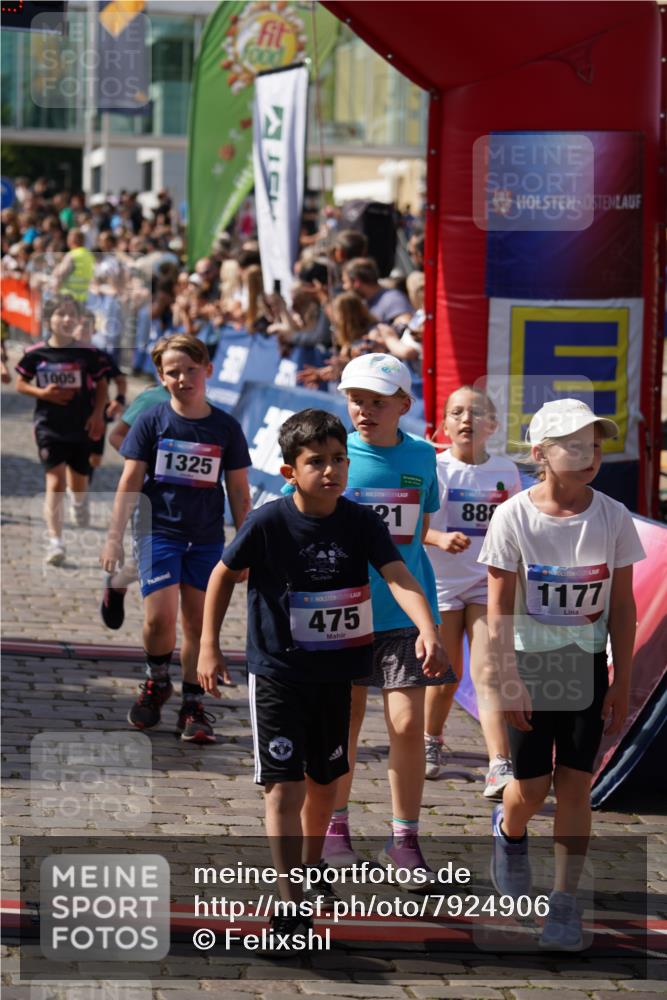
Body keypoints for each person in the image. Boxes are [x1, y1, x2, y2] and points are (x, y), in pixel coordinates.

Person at [196, 409, 447, 947]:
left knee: (325, 781)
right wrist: (209, 646)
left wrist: (426, 625)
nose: (331, 470)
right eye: (317, 462)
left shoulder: (360, 522)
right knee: (283, 788)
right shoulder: (267, 521)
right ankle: (288, 900)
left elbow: (398, 574)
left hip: (338, 673)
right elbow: (223, 575)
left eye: (339, 459)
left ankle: (312, 871)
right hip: (280, 673)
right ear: (290, 471)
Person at [479, 399, 645, 949]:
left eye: (594, 444)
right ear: (540, 454)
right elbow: (498, 608)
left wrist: (621, 679)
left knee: (576, 785)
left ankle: (564, 904)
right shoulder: (514, 516)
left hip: (586, 663)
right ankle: (510, 831)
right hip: (530, 663)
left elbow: (623, 606)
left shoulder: (613, 516)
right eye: (572, 444)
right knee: (530, 789)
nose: (588, 454)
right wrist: (508, 678)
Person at [321, 354, 456, 876]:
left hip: (404, 608)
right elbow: (299, 514)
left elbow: (416, 529)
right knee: (346, 723)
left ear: (404, 404)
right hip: (343, 611)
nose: (365, 410)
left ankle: (404, 839)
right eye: (356, 399)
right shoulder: (332, 452)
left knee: (405, 724)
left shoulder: (423, 458)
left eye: (378, 401)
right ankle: (336, 824)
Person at [100, 334, 251, 744]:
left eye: (190, 369)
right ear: (161, 378)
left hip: (205, 538)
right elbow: (130, 480)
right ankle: (156, 679)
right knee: (159, 617)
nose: (183, 378)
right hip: (158, 530)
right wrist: (113, 538)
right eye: (173, 372)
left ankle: (193, 704)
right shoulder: (153, 421)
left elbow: (239, 490)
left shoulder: (226, 427)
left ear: (208, 371)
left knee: (196, 624)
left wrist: (246, 544)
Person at [423, 386, 521, 794]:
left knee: (488, 671)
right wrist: (439, 538)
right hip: (442, 584)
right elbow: (412, 527)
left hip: (485, 584)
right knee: (446, 676)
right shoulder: (434, 468)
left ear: (492, 425)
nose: (467, 419)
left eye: (477, 412)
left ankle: (500, 763)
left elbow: (516, 526)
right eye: (457, 412)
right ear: (444, 424)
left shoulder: (506, 471)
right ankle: (430, 739)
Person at [15, 296, 108, 565]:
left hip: (81, 426)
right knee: (55, 482)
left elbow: (102, 386)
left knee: (79, 482)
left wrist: (97, 415)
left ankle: (79, 504)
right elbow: (21, 384)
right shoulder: (35, 353)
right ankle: (56, 542)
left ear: (79, 320)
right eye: (60, 314)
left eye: (72, 315)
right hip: (49, 426)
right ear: (48, 320)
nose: (67, 319)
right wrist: (42, 393)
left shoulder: (89, 354)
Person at [342, 258, 413, 326]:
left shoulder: (392, 300)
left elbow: (406, 326)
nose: (344, 287)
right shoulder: (364, 303)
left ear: (356, 282)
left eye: (345, 282)